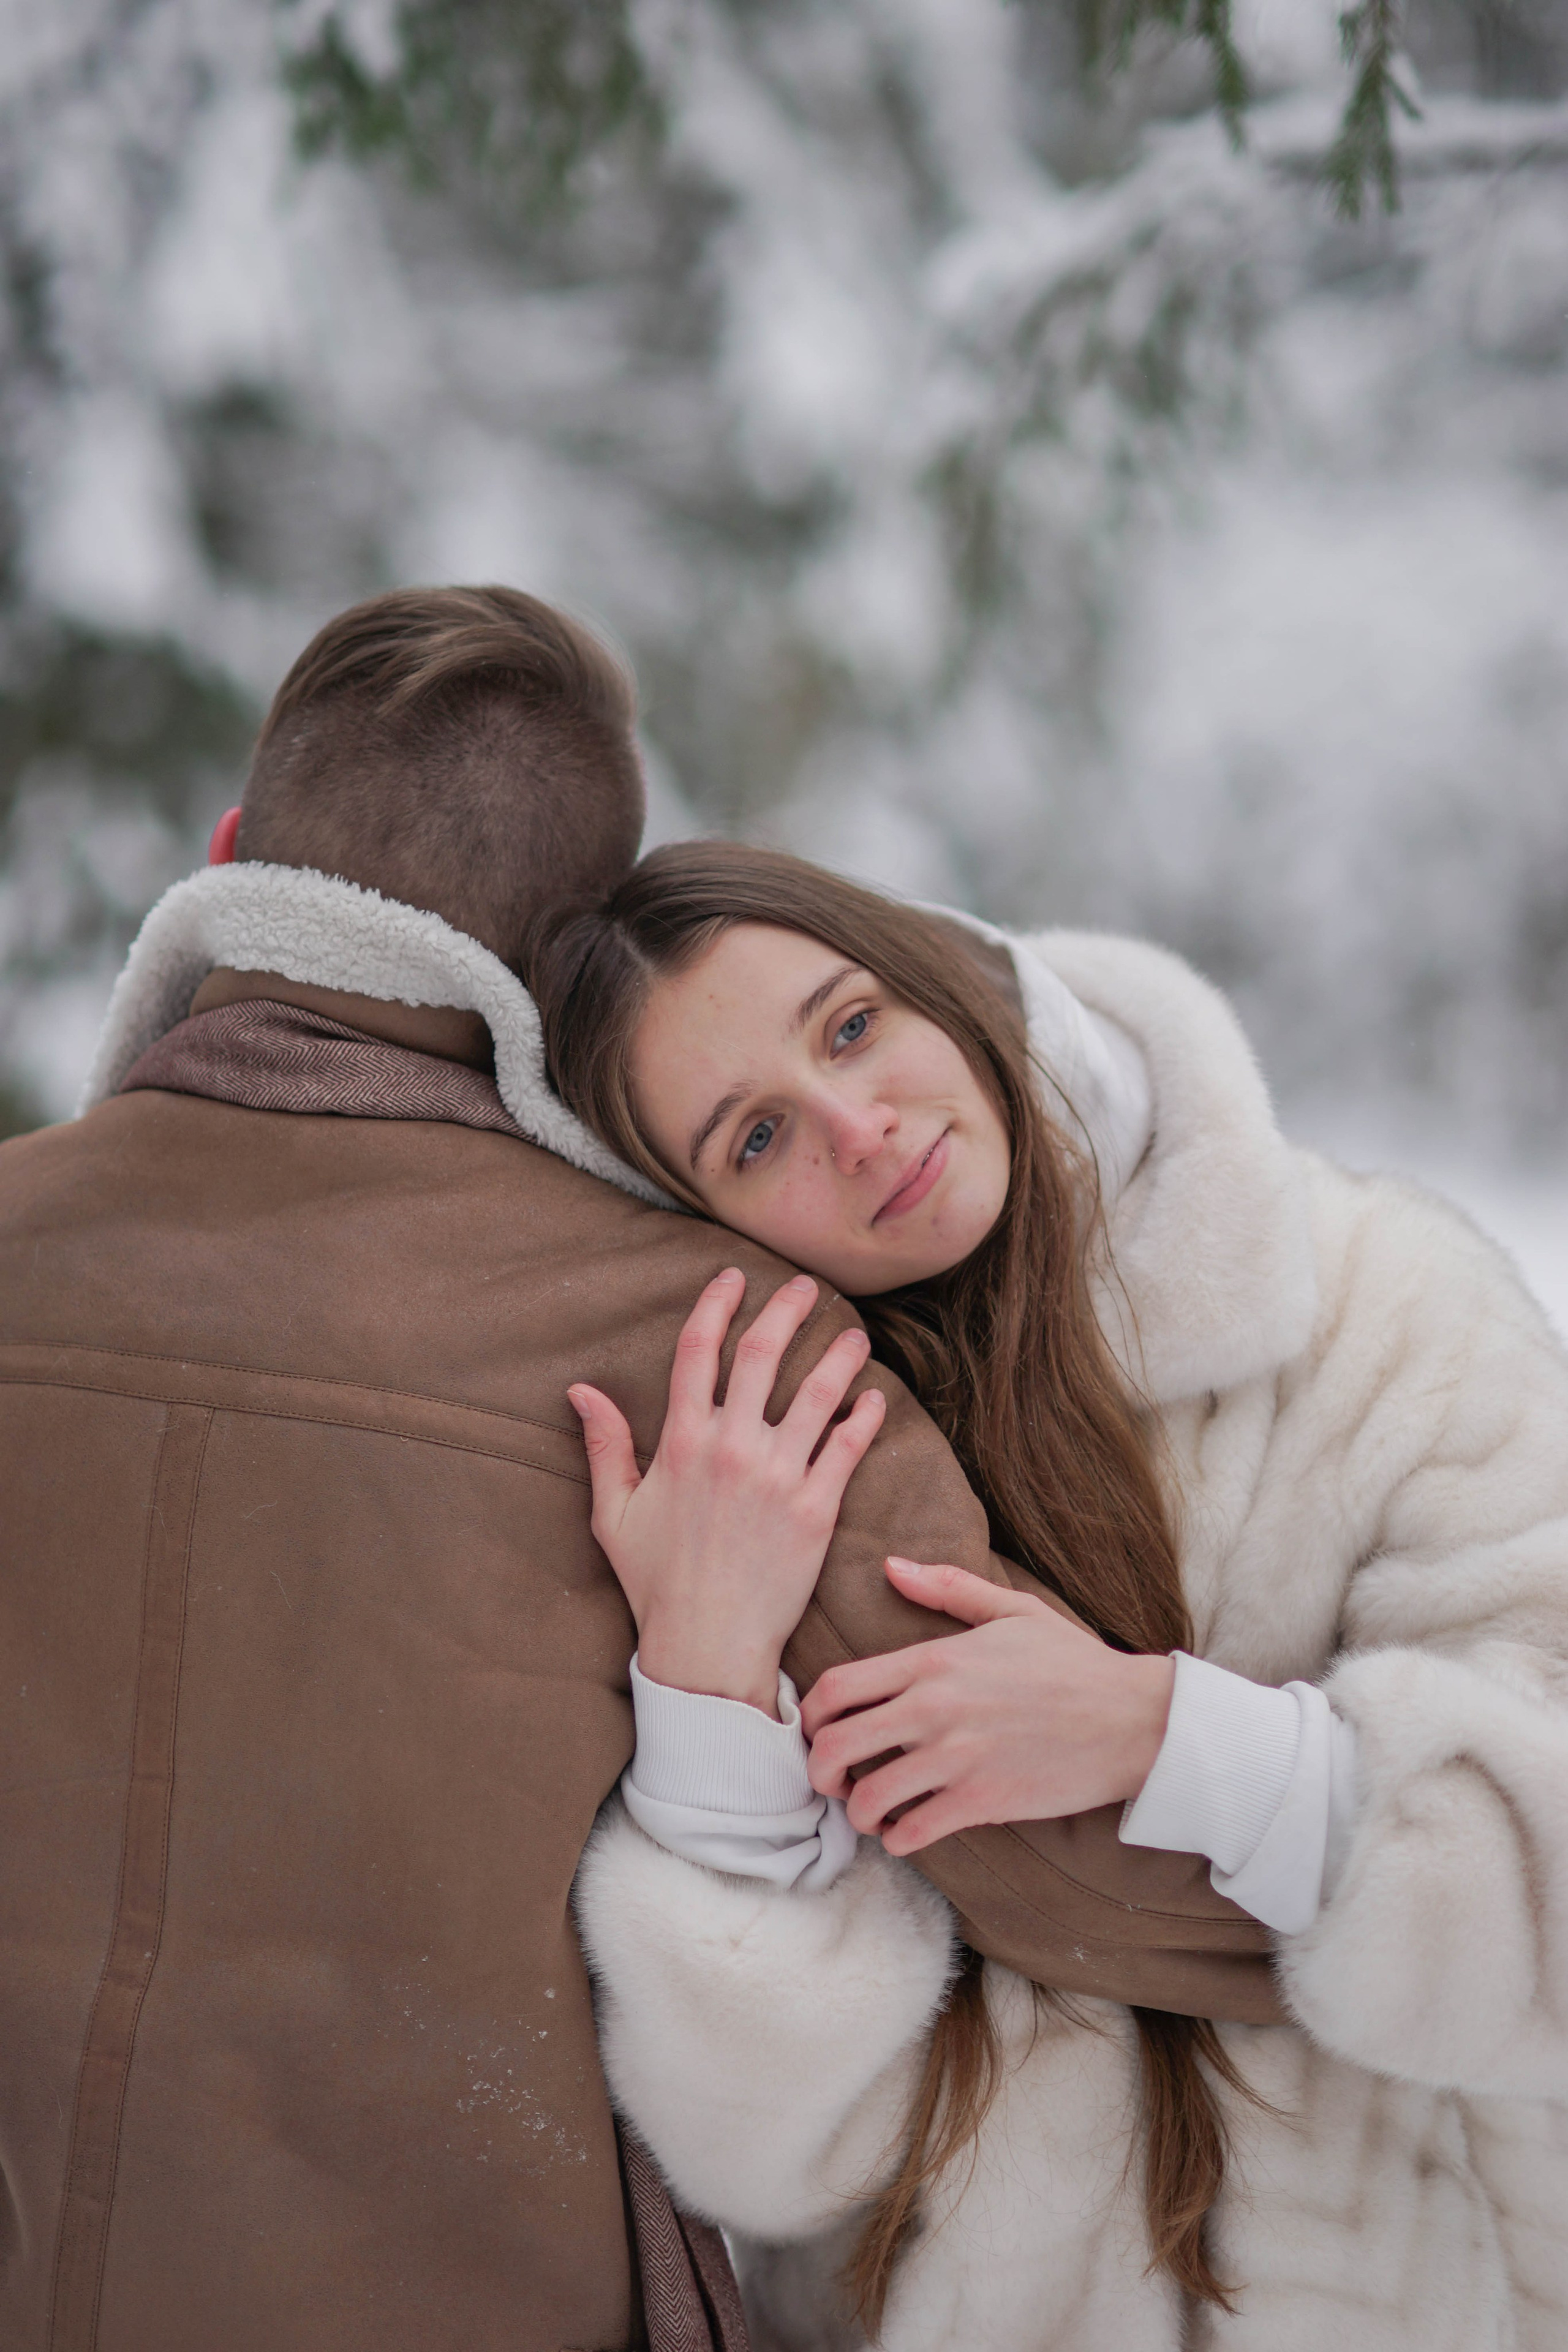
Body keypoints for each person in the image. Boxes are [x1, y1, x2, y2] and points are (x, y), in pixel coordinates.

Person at [0, 589, 1261, 2352]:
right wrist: (1324, 1789)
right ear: (561, 981)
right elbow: (1098, 1876)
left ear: (229, 862)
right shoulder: (723, 1352)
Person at [540, 841, 1568, 2350]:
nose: (856, 1127)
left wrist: (1161, 1737)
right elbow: (768, 2160)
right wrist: (705, 1685)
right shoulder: (777, 1491)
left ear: (935, 980)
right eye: (755, 1138)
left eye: (849, 1025)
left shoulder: (1379, 1310)